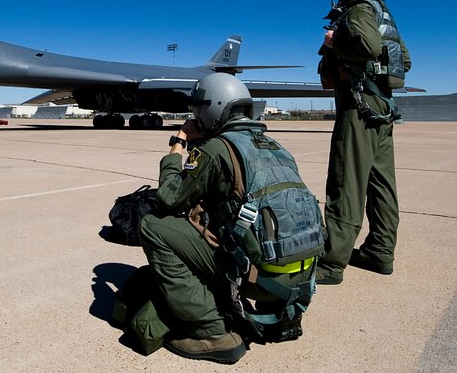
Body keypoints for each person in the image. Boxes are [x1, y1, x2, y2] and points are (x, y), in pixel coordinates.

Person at [137, 73, 321, 364]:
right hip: (297, 281)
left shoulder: (216, 150)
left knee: (153, 226)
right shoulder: (275, 147)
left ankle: (212, 332)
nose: (195, 116)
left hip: (259, 278)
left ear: (212, 108)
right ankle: (285, 317)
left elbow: (169, 198)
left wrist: (179, 144)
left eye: (198, 110)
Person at [316, 0, 411, 284]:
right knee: (381, 182)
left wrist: (334, 42)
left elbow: (367, 46)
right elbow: (405, 61)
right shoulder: (383, 14)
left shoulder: (357, 11)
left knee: (346, 181)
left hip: (358, 107)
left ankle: (331, 262)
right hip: (383, 108)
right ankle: (380, 252)